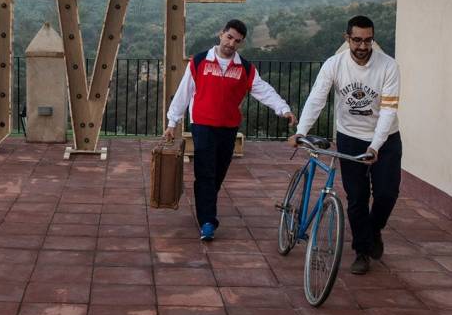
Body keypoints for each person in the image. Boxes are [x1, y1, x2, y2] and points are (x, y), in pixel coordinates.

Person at [164, 19, 297, 241]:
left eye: (237, 41)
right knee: (205, 171)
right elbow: (183, 93)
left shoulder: (245, 68)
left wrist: (283, 109)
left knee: (218, 173)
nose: (231, 43)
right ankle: (208, 221)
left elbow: (264, 90)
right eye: (229, 37)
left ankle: (205, 204)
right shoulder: (199, 62)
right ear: (221, 34)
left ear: (241, 43)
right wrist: (172, 122)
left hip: (228, 127)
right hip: (202, 125)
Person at [288, 15, 401, 275]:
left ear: (373, 39)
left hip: (386, 139)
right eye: (357, 40)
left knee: (387, 194)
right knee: (357, 197)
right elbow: (317, 98)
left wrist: (375, 146)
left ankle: (373, 231)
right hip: (349, 137)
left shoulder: (389, 66)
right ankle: (362, 251)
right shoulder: (334, 64)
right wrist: (301, 131)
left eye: (368, 40)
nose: (363, 46)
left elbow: (388, 110)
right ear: (347, 38)